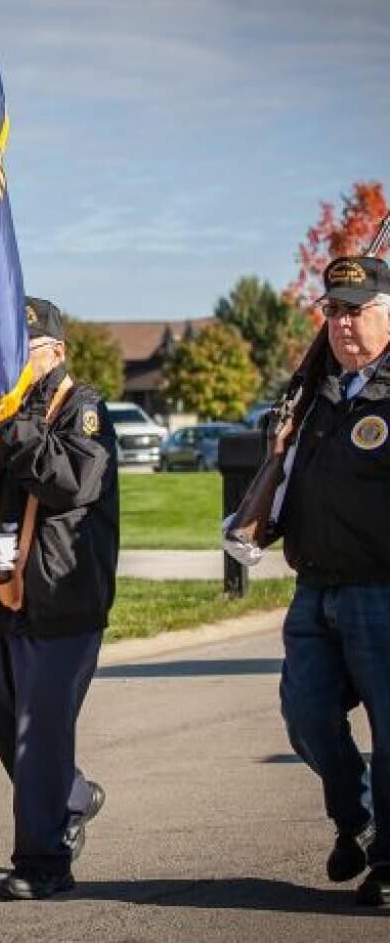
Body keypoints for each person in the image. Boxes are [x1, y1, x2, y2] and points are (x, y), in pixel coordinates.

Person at [0, 297, 118, 901]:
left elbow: (72, 482)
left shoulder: (84, 409)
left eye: (24, 351)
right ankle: (70, 796)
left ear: (56, 352)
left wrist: (10, 425)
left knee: (40, 732)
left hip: (63, 601)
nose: (10, 363)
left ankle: (43, 862)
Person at [273, 255, 390, 906]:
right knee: (306, 716)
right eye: (335, 310)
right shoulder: (316, 391)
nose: (344, 323)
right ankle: (356, 818)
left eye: (358, 308)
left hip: (383, 590)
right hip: (314, 590)